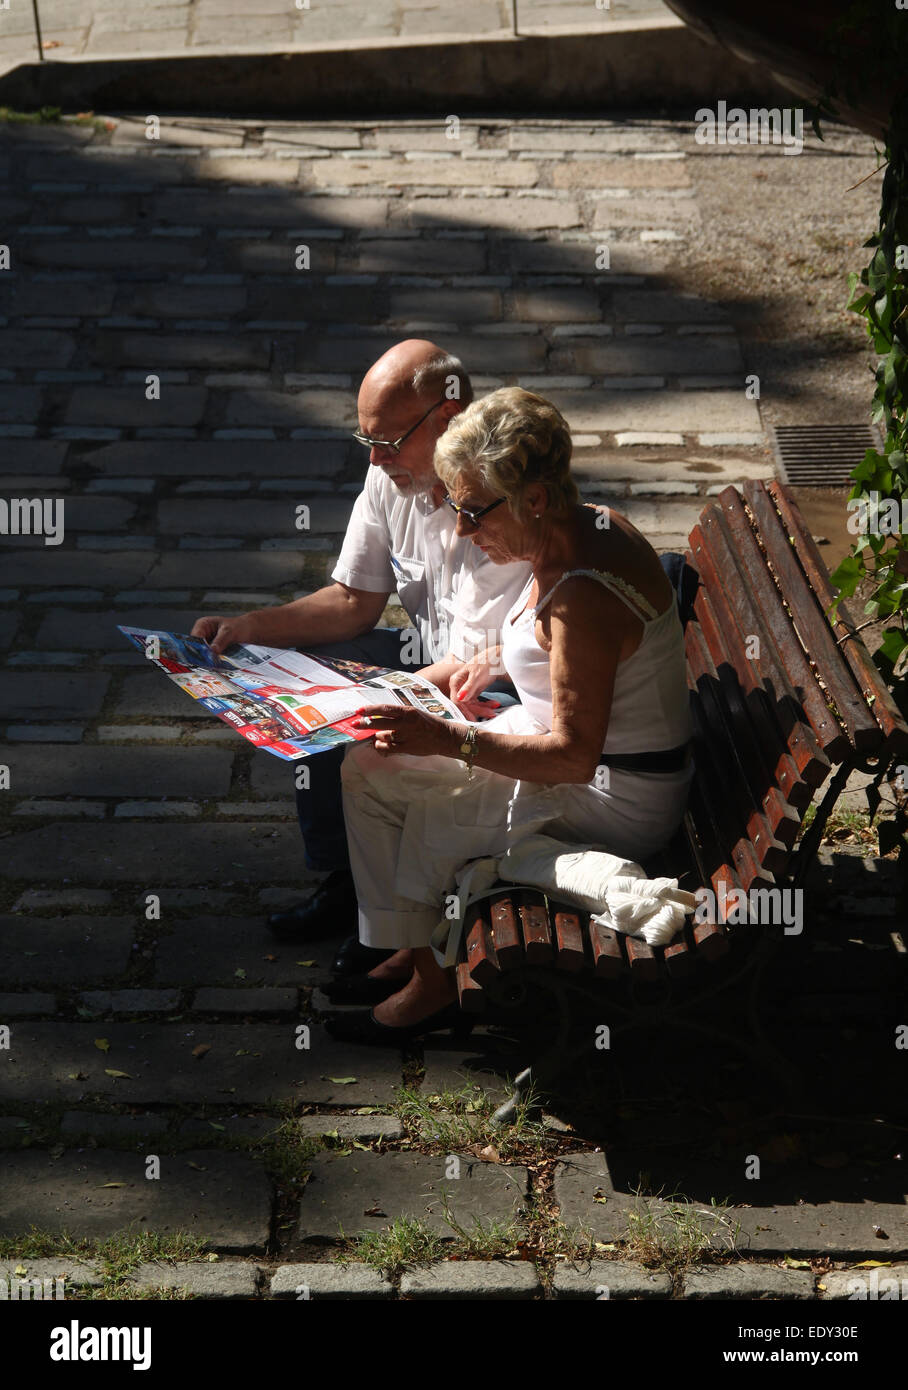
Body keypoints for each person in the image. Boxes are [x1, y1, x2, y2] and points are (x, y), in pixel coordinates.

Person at [325, 387, 694, 1044]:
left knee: (405, 789)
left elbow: (573, 756)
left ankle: (430, 986)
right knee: (372, 762)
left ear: (536, 499)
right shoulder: (583, 524)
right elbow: (577, 661)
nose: (463, 529)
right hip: (586, 761)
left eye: (473, 511)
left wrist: (447, 737)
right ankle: (412, 950)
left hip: (613, 793)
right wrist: (497, 659)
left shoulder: (582, 593)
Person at [190, 341, 531, 970]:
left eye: (390, 441)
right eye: (366, 441)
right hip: (433, 661)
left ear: (447, 416)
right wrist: (252, 627)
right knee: (319, 671)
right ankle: (346, 879)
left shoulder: (495, 502)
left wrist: (358, 698)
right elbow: (352, 600)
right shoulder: (388, 476)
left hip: (498, 690)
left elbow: (474, 664)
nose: (375, 459)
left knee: (341, 715)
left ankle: (394, 917)